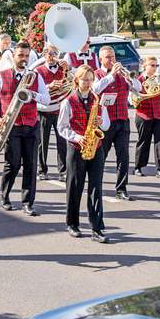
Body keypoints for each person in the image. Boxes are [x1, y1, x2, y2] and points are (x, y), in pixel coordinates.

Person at [0, 41, 50, 215]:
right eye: (20, 55)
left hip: (30, 124)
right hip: (11, 125)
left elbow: (47, 99)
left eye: (26, 56)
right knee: (12, 163)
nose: (23, 59)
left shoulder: (35, 76)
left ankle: (27, 202)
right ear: (13, 56)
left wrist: (32, 95)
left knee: (30, 164)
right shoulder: (2, 74)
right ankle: (4, 196)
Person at [57, 65, 112, 243]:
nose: (88, 83)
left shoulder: (98, 99)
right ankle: (72, 223)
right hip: (76, 147)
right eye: (84, 79)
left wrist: (101, 121)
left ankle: (97, 228)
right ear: (77, 81)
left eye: (90, 79)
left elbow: (106, 126)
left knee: (96, 187)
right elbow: (62, 127)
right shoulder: (69, 101)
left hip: (96, 147)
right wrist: (77, 137)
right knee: (75, 186)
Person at [92, 46, 141, 200]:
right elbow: (95, 89)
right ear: (100, 59)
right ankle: (96, 185)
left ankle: (121, 189)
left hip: (122, 120)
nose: (112, 60)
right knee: (101, 156)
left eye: (113, 56)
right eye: (108, 57)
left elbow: (138, 89)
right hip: (105, 122)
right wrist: (111, 75)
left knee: (124, 156)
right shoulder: (97, 74)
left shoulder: (122, 74)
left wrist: (130, 78)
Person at [133, 56, 160, 179]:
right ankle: (138, 167)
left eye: (156, 65)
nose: (155, 68)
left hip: (159, 114)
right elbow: (132, 98)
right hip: (143, 115)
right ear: (145, 66)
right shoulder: (138, 80)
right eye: (152, 65)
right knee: (143, 141)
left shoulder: (159, 79)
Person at [35, 44, 68, 181]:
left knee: (62, 141)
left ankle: (63, 171)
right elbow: (35, 89)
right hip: (44, 110)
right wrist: (49, 86)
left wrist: (68, 69)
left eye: (54, 53)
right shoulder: (38, 70)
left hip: (60, 109)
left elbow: (71, 82)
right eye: (49, 54)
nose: (52, 56)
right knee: (43, 141)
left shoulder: (63, 68)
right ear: (44, 55)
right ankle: (42, 170)